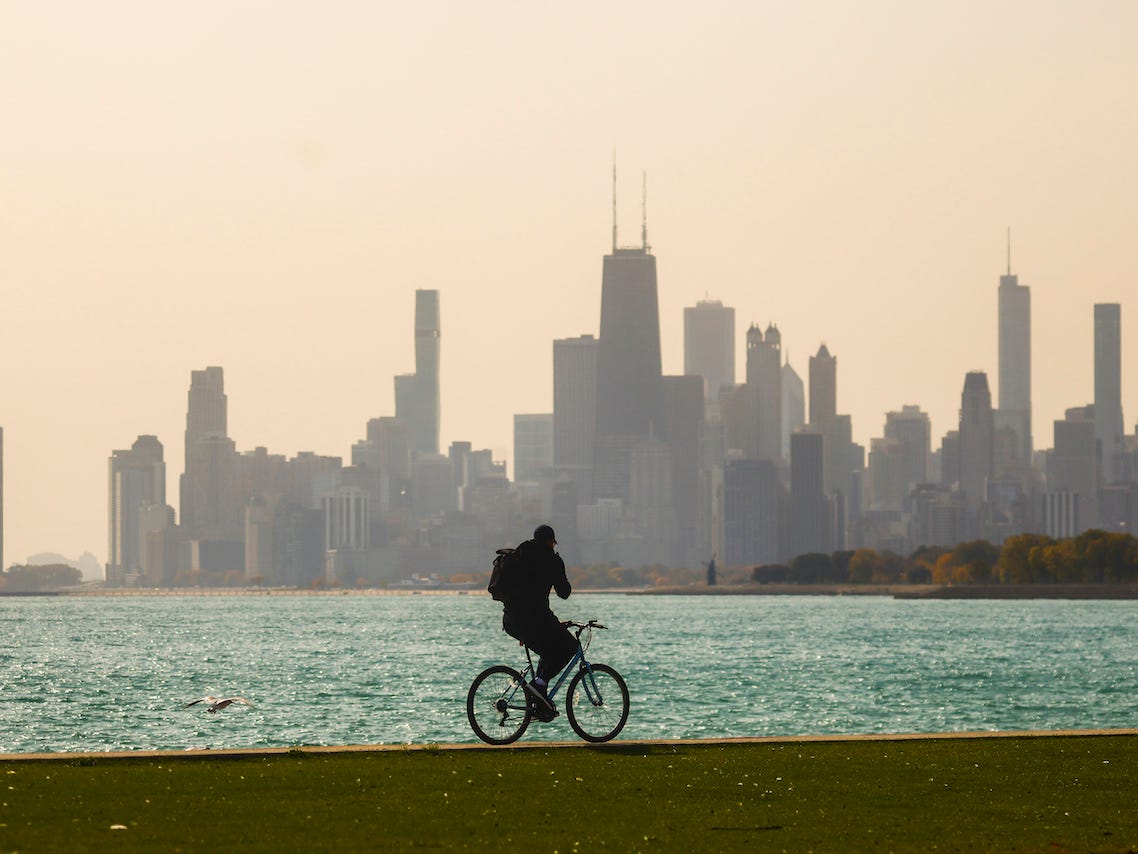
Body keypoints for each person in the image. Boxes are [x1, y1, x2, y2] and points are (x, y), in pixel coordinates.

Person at [500, 524, 575, 722]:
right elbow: (564, 592)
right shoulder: (551, 559)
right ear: (551, 541)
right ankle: (538, 684)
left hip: (511, 620)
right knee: (570, 647)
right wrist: (560, 568)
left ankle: (538, 702)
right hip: (535, 619)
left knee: (549, 651)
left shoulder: (519, 554)